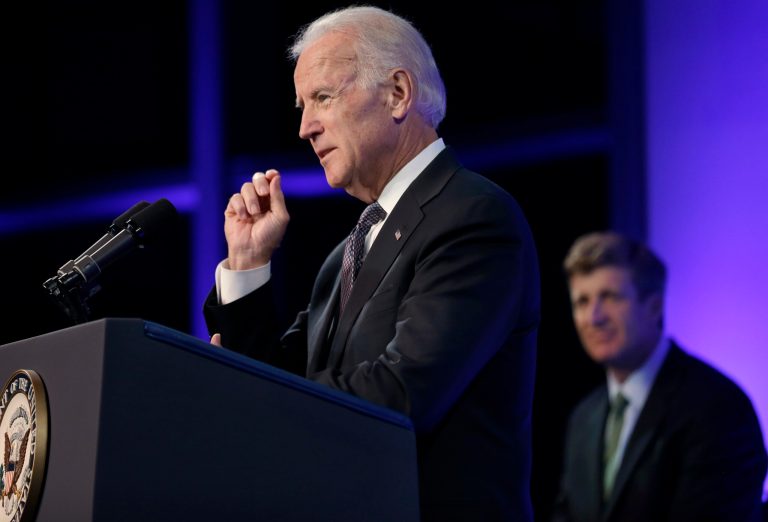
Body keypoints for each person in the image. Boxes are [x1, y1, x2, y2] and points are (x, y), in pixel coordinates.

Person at [203, 6, 540, 521]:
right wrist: (248, 265)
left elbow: (399, 396)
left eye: (323, 98)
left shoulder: (473, 217)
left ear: (398, 94)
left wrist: (261, 404)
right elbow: (275, 378)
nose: (304, 127)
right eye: (301, 105)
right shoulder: (346, 254)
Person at [553, 231, 767, 522]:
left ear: (654, 306)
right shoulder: (583, 418)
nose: (594, 317)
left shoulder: (719, 407)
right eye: (581, 302)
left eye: (610, 297)